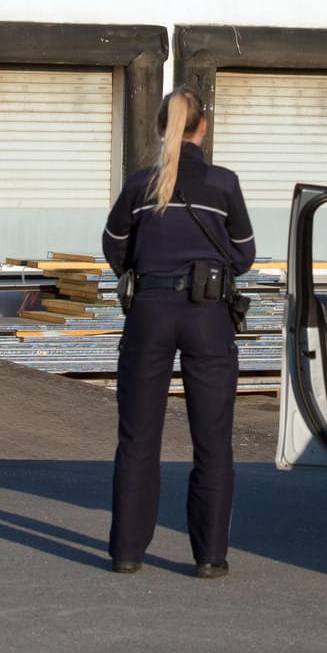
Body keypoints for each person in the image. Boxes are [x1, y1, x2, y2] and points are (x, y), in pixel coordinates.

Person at [100, 86, 256, 579]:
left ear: (160, 128)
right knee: (212, 440)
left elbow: (114, 247)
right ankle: (209, 557)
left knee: (138, 438)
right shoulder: (223, 184)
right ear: (202, 128)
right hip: (207, 316)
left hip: (149, 311)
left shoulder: (138, 185)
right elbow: (245, 255)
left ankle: (127, 552)